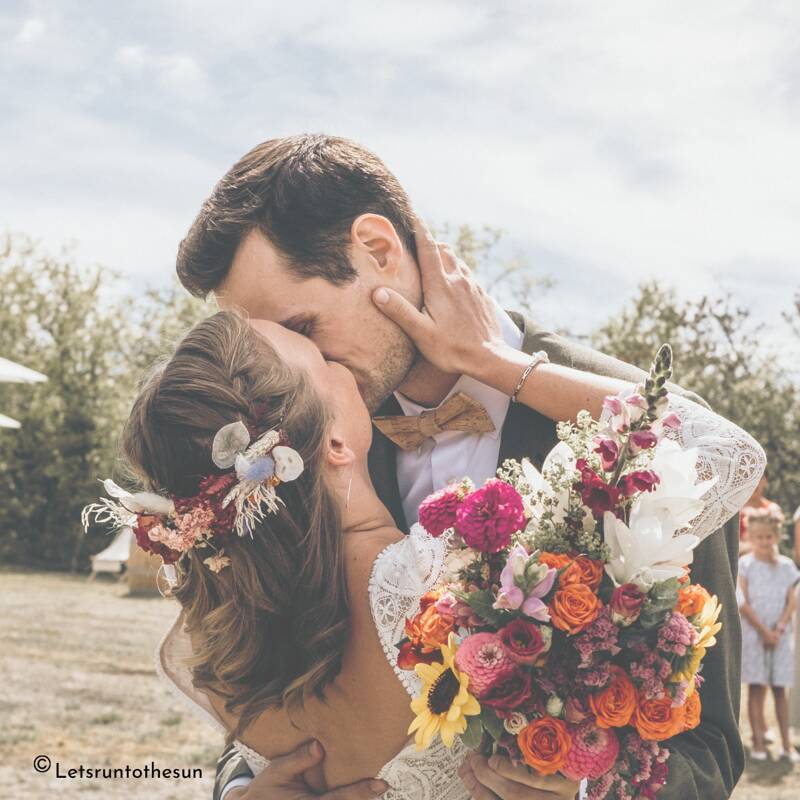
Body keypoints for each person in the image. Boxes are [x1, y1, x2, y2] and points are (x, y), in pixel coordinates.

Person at [173, 135, 763, 800]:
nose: (285, 385)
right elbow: (263, 679)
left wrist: (587, 791)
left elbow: (708, 755)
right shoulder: (311, 447)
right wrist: (243, 787)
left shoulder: (645, 431)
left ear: (377, 251)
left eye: (301, 330)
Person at [738, 506, 800, 762]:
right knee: (756, 688)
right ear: (751, 538)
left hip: (780, 637)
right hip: (754, 636)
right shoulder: (745, 565)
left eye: (769, 536)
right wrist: (763, 631)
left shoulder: (786, 566)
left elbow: (792, 599)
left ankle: (787, 744)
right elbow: (741, 601)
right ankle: (758, 743)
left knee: (779, 690)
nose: (765, 542)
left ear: (776, 536)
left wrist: (779, 628)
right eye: (759, 537)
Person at [738, 469, 778, 556]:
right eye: (750, 477)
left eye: (759, 477)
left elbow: (775, 543)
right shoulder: (735, 510)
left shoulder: (772, 509)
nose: (755, 482)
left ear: (765, 480)